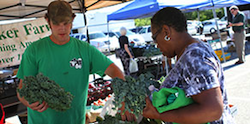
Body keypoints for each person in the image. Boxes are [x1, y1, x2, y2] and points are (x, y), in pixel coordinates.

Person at [16, 1, 134, 124]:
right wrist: (28, 101)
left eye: (66, 23)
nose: (62, 28)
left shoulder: (85, 49)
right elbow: (22, 89)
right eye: (56, 23)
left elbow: (115, 71)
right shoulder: (34, 50)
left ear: (73, 19)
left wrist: (123, 99)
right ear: (47, 21)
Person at [142, 7, 235, 124]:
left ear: (166, 32)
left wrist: (160, 115)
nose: (157, 45)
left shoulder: (194, 56)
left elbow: (213, 110)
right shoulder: (193, 50)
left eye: (155, 38)